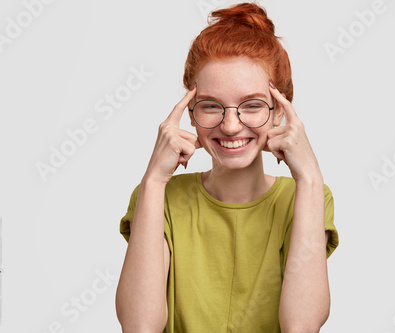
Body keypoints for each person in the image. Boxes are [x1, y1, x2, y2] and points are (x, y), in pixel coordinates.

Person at [115, 2, 339, 332]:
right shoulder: (159, 197)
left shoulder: (306, 196)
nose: (231, 126)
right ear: (189, 112)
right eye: (211, 106)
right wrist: (152, 180)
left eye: (252, 105)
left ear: (280, 110)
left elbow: (302, 326)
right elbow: (139, 326)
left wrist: (309, 176)